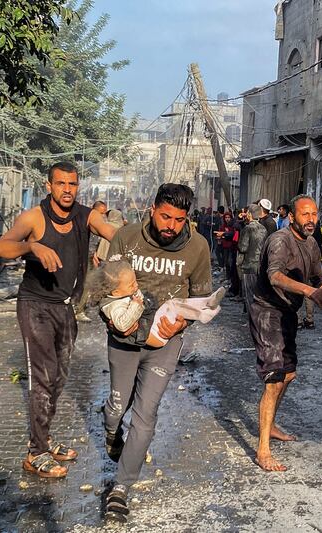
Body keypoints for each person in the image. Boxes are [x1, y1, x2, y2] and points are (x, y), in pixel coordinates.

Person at [0, 162, 118, 479]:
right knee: (42, 379)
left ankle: (45, 438)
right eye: (61, 183)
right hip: (35, 305)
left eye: (72, 184)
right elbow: (1, 247)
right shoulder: (34, 218)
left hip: (66, 308)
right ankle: (36, 453)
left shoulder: (86, 215)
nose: (67, 189)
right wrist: (31, 245)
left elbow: (114, 234)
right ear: (49, 185)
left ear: (78, 187)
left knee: (59, 379)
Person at [101, 183, 212, 522]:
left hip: (165, 344)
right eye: (165, 216)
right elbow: (107, 286)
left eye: (179, 220)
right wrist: (115, 316)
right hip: (124, 339)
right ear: (152, 209)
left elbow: (201, 300)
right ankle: (109, 428)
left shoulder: (198, 247)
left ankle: (121, 488)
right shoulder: (127, 238)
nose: (171, 225)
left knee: (146, 413)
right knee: (117, 407)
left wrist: (181, 325)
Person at [249, 194, 322, 471]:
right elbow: (275, 276)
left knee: (289, 374)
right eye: (305, 214)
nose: (310, 219)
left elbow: (320, 278)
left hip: (288, 311)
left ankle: (270, 426)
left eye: (314, 214)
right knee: (274, 377)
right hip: (267, 310)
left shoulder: (313, 243)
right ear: (291, 216)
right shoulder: (280, 239)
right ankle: (262, 450)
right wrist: (309, 292)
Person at [86, 260, 224, 348]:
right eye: (131, 285)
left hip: (149, 325)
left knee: (173, 304)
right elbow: (122, 325)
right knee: (173, 307)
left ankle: (206, 304)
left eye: (135, 282)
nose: (136, 286)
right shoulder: (113, 306)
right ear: (115, 292)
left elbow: (136, 295)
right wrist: (136, 304)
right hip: (149, 335)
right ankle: (203, 310)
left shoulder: (123, 294)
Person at [238, 203, 268, 311]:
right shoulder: (264, 229)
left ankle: (252, 320)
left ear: (250, 214)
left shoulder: (248, 228)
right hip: (260, 266)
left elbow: (243, 248)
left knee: (249, 294)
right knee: (258, 295)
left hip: (248, 266)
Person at [215, 212, 241, 297]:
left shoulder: (234, 225)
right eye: (226, 217)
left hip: (232, 247)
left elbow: (233, 234)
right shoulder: (223, 225)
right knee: (227, 262)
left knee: (230, 264)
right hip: (225, 246)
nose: (227, 219)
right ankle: (228, 277)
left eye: (228, 217)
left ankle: (231, 280)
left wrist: (224, 234)